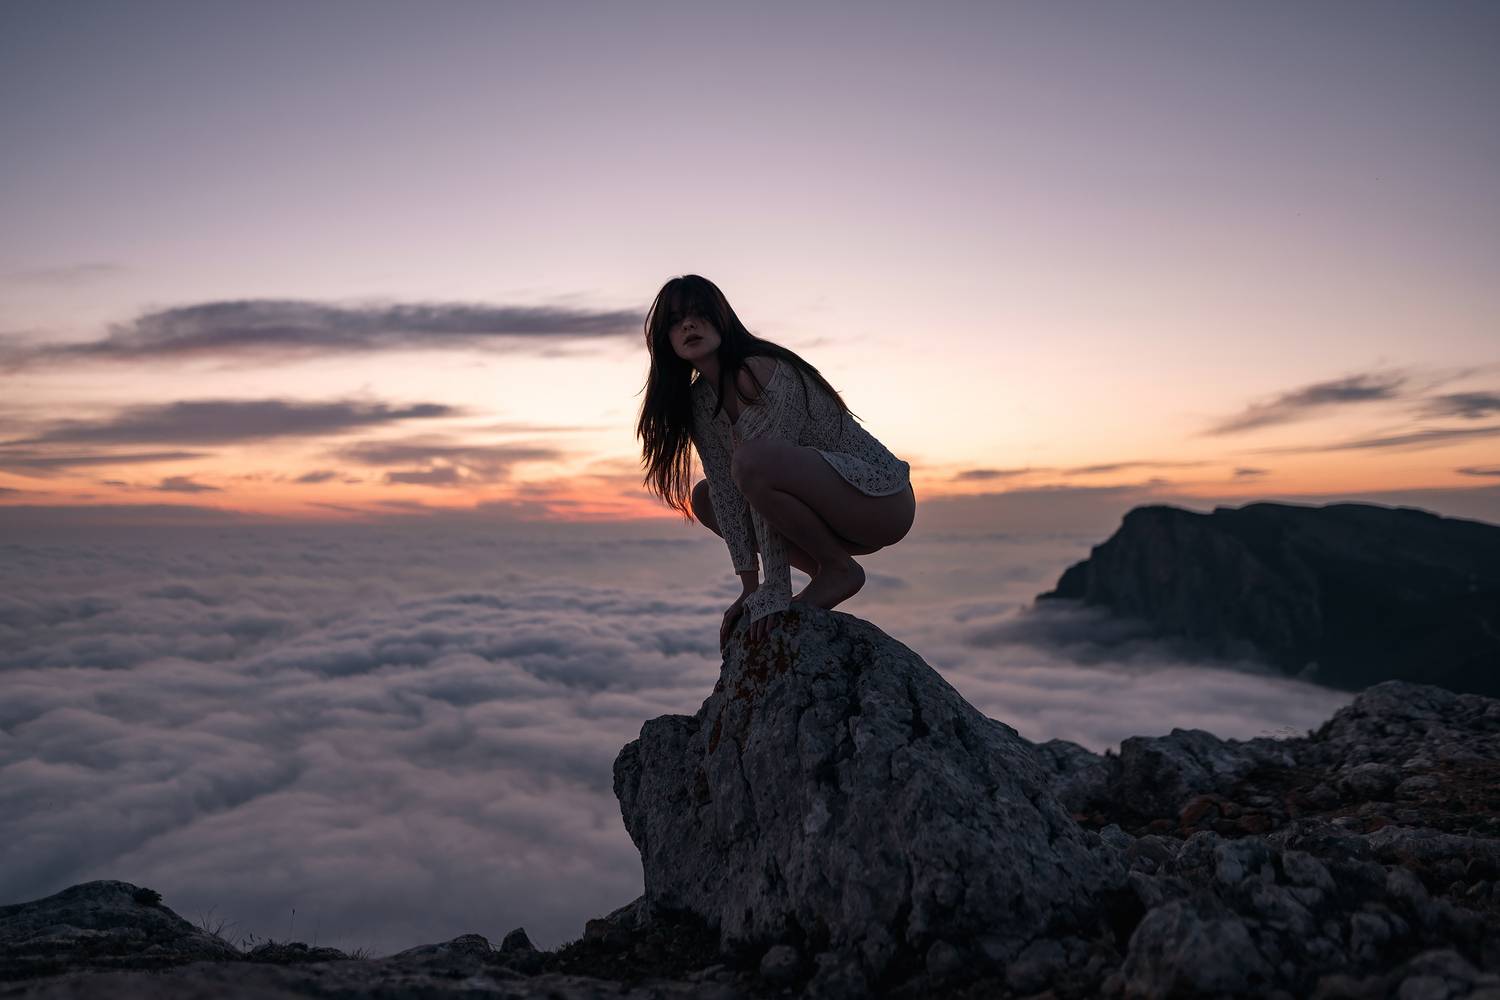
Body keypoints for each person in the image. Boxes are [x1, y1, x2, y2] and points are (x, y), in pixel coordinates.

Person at [637, 274, 916, 651]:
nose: (688, 324)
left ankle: (838, 570)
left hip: (879, 500)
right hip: (828, 518)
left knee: (752, 462)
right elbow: (729, 492)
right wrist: (750, 590)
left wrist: (774, 590)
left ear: (722, 318)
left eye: (699, 313)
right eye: (675, 321)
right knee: (707, 496)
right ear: (665, 340)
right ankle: (828, 566)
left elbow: (759, 478)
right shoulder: (700, 402)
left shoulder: (758, 371)